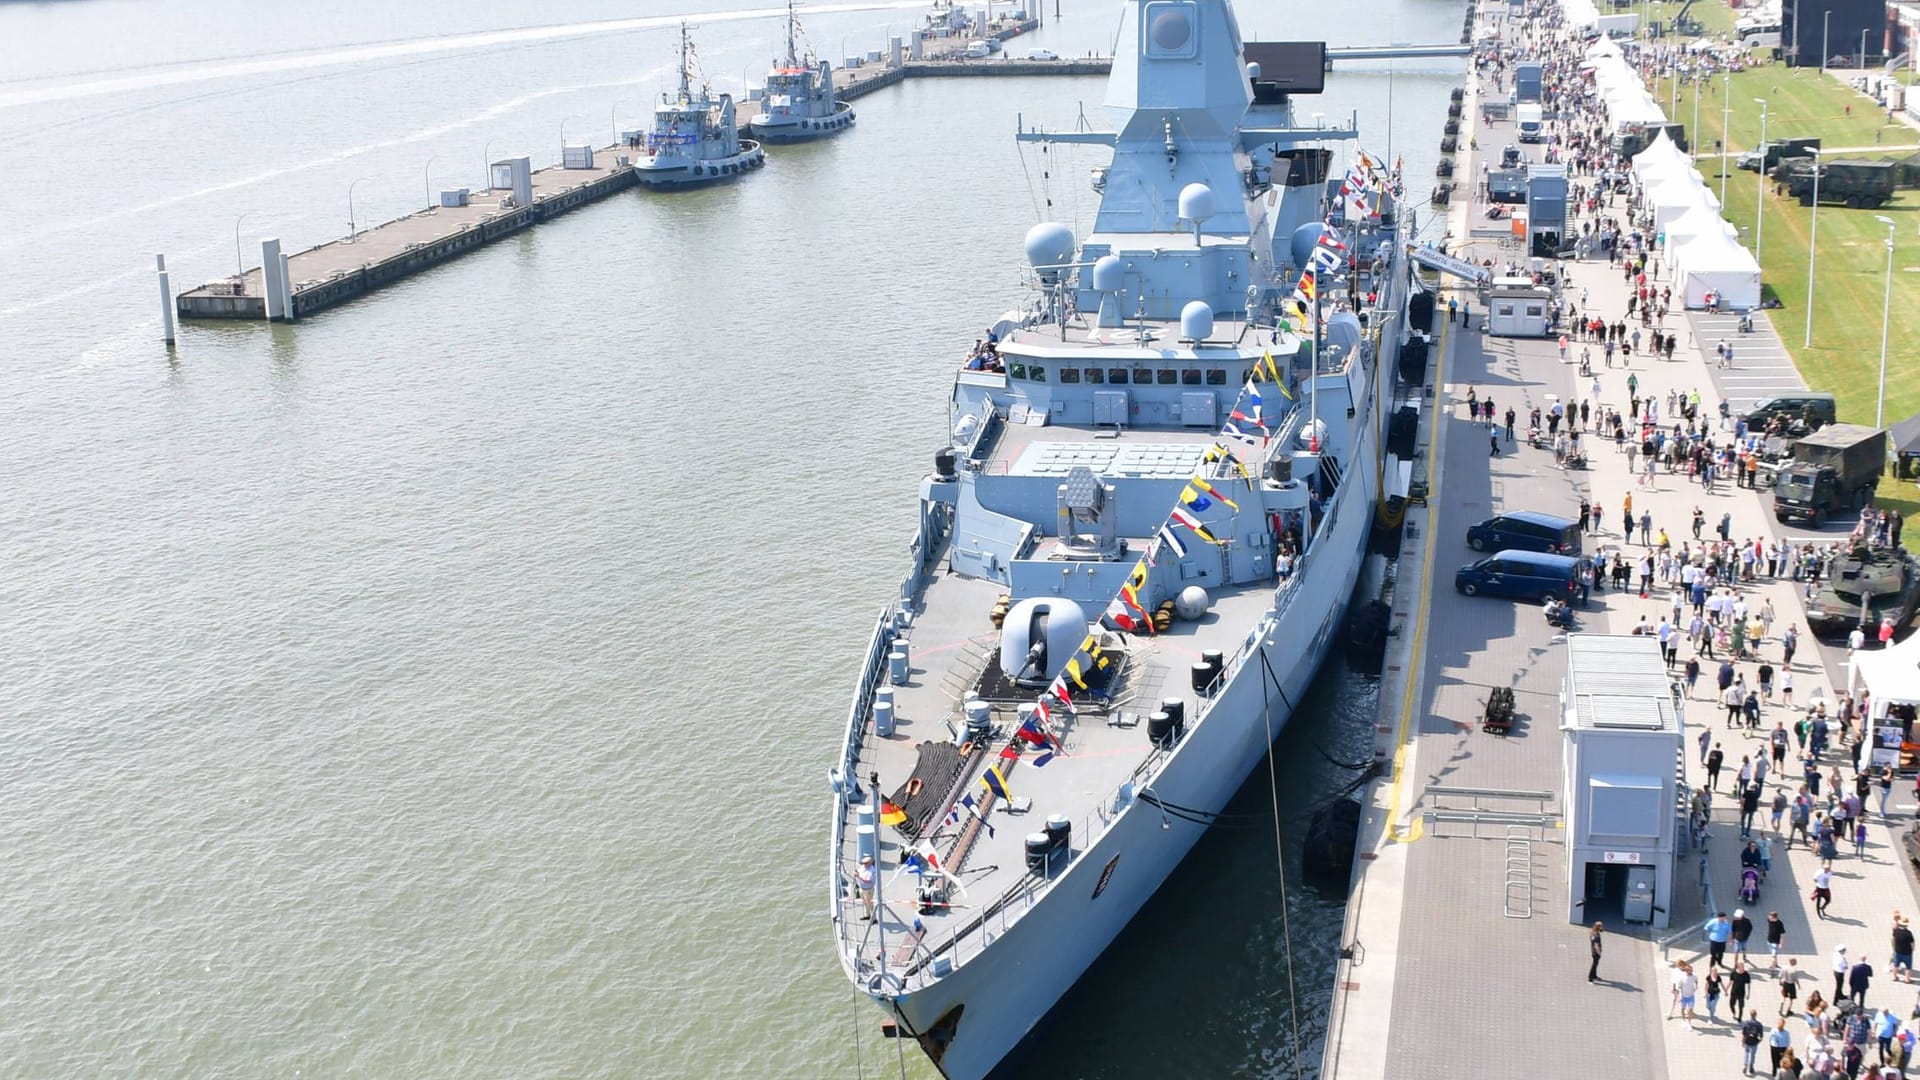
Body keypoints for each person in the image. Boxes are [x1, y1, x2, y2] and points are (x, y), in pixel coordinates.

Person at [1742, 1009, 1766, 1075]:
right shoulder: (1759, 1024)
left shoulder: (1746, 1023)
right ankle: (1751, 1067)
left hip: (1747, 1040)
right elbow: (1761, 1036)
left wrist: (1743, 1041)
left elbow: (1744, 1033)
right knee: (1752, 1055)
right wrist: (1758, 1042)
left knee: (1746, 1053)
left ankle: (1745, 1065)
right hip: (1754, 1041)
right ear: (1756, 1015)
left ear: (1750, 1015)